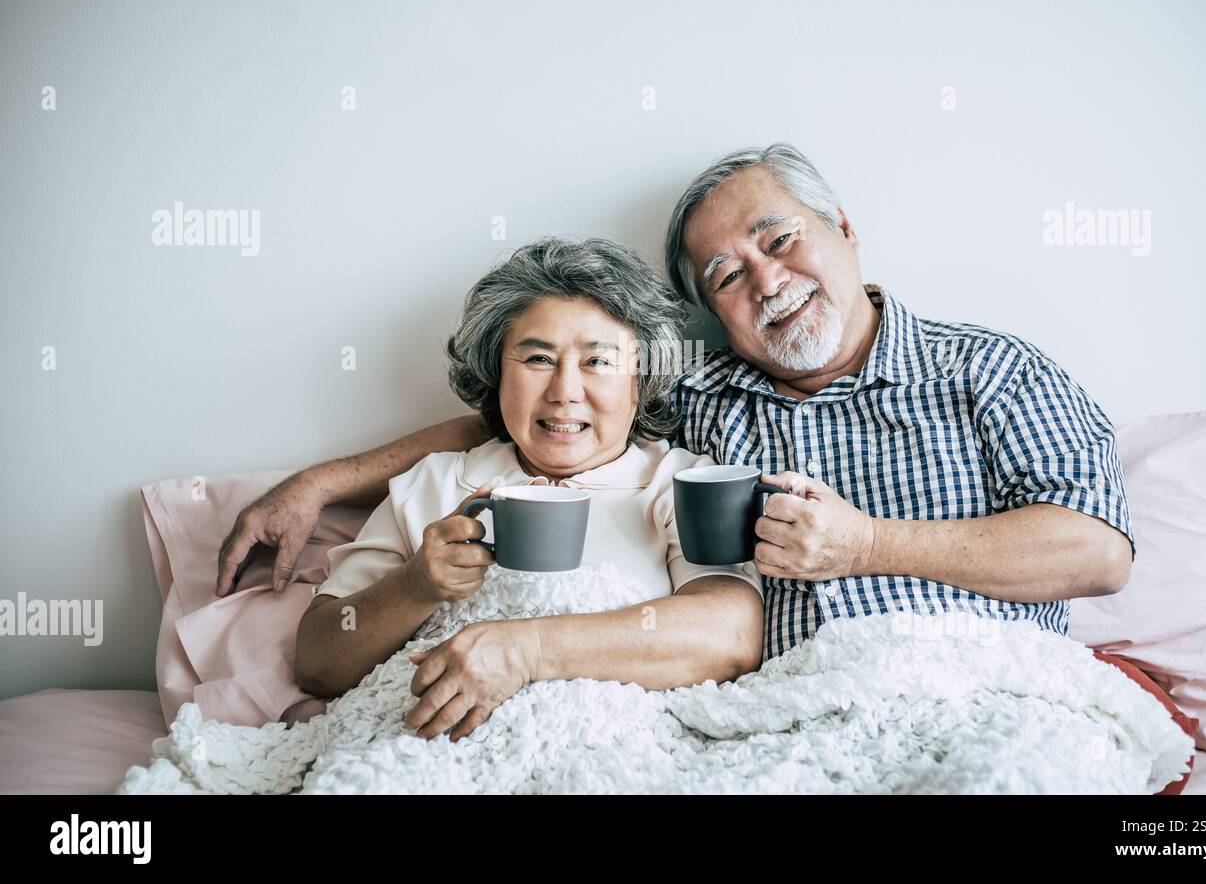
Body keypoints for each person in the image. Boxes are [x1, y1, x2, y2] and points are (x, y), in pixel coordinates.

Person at [223, 142, 1133, 670]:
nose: (767, 280)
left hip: (991, 679)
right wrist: (322, 482)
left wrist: (868, 546)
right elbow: (545, 425)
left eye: (780, 240)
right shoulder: (701, 399)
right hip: (793, 716)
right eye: (727, 275)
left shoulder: (992, 371)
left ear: (845, 230)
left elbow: (1098, 555)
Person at [287, 237, 763, 738]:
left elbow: (730, 635)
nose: (564, 392)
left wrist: (527, 650)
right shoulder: (435, 482)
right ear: (496, 373)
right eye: (537, 359)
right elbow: (318, 661)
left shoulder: (678, 485)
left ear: (640, 380)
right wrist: (415, 586)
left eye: (597, 362)